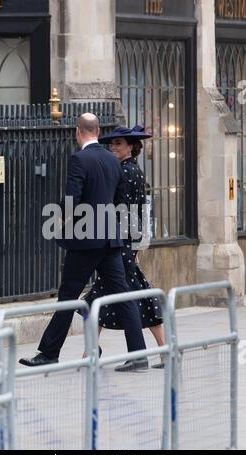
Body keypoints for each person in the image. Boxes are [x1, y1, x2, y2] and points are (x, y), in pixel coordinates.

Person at [19, 113, 148, 372]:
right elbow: (120, 201)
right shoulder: (113, 162)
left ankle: (48, 353)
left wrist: (63, 223)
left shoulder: (79, 159)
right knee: (123, 295)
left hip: (86, 240)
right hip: (109, 240)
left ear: (79, 132)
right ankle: (139, 355)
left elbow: (72, 198)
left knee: (68, 296)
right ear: (98, 131)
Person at [82, 125, 165, 368]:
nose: (113, 147)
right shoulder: (132, 170)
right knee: (100, 297)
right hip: (123, 242)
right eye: (112, 144)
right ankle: (90, 353)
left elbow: (123, 210)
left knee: (133, 297)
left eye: (118, 143)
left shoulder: (125, 172)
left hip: (119, 244)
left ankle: (162, 350)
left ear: (131, 146)